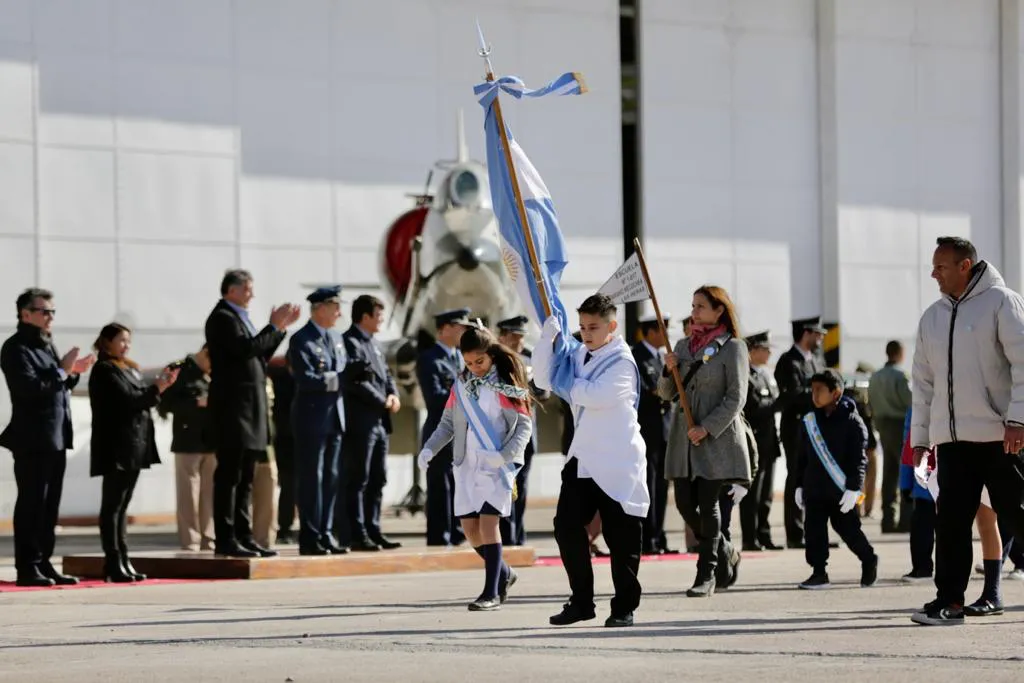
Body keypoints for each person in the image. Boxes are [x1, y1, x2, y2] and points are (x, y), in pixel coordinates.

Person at [910, 236, 1024, 626]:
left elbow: (1023, 364)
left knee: (1018, 514)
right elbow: (923, 385)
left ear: (965, 265)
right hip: (953, 442)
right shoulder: (932, 317)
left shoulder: (1002, 303)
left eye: (941, 266)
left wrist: (1018, 420)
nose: (933, 273)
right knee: (952, 523)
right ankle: (950, 602)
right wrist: (922, 440)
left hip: (1002, 437)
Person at [534, 293, 649, 628]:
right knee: (566, 527)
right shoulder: (579, 354)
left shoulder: (622, 362)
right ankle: (582, 601)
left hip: (617, 461)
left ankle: (623, 608)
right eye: (582, 326)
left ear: (612, 326)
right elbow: (542, 379)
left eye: (593, 327)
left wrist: (566, 382)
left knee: (621, 538)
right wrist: (547, 338)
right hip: (583, 456)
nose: (585, 332)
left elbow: (597, 396)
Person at [418, 325, 533, 610]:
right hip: (466, 463)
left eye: (479, 361)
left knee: (489, 523)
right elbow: (447, 423)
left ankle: (490, 592)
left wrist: (506, 456)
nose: (475, 368)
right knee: (470, 530)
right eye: (468, 362)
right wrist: (430, 448)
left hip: (495, 465)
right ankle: (504, 573)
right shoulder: (462, 384)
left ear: (491, 355)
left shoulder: (507, 385)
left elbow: (524, 427)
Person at [0, 288, 95, 587]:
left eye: (52, 311)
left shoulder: (45, 344)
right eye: (44, 311)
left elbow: (58, 383)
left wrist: (72, 372)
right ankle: (27, 567)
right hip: (32, 438)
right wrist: (62, 370)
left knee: (50, 505)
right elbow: (29, 388)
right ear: (25, 314)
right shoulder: (16, 348)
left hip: (55, 436)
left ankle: (44, 563)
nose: (49, 316)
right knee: (32, 503)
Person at [661, 286, 749, 597]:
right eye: (693, 305)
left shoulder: (733, 347)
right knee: (685, 504)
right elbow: (666, 393)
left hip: (716, 440)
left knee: (709, 504)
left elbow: (736, 397)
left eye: (700, 306)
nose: (694, 312)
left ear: (719, 310)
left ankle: (706, 573)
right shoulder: (684, 346)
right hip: (685, 440)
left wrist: (708, 428)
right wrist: (667, 368)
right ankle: (725, 549)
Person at [205, 269, 299, 558]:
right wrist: (272, 326)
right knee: (229, 477)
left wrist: (278, 331)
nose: (251, 295)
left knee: (245, 477)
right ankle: (226, 537)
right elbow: (246, 350)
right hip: (233, 409)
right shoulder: (222, 318)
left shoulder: (239, 318)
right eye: (246, 289)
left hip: (249, 409)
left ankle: (243, 536)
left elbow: (259, 357)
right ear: (230, 290)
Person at [89, 323, 179, 582]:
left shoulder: (128, 367)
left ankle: (123, 558)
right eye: (121, 340)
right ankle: (113, 559)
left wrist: (158, 388)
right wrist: (157, 389)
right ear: (107, 342)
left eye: (128, 340)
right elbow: (129, 400)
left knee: (122, 505)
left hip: (133, 444)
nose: (126, 345)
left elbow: (140, 396)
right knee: (113, 506)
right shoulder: (105, 369)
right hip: (116, 445)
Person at [794, 369, 877, 589]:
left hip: (841, 491)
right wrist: (798, 485)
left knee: (848, 531)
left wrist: (854, 488)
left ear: (836, 392)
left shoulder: (853, 422)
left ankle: (869, 559)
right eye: (812, 390)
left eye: (820, 390)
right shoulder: (810, 420)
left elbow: (859, 460)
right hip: (814, 489)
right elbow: (801, 457)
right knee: (813, 531)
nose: (814, 395)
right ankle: (819, 572)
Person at [287, 285, 349, 555]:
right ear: (319, 308)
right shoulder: (302, 339)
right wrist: (337, 379)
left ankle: (325, 533)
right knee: (312, 478)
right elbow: (306, 378)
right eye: (335, 306)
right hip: (312, 417)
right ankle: (310, 536)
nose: (339, 312)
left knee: (331, 478)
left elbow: (344, 368)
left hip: (335, 416)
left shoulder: (336, 337)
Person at [342, 295, 403, 551]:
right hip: (362, 421)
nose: (381, 321)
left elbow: (386, 374)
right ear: (365, 317)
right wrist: (383, 401)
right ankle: (357, 532)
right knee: (359, 478)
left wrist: (394, 394)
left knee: (378, 478)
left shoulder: (374, 344)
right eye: (378, 316)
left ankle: (374, 529)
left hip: (380, 422)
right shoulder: (350, 342)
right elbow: (356, 381)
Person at [418, 308, 470, 546]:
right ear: (444, 329)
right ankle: (440, 535)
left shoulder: (459, 358)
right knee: (440, 486)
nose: (462, 331)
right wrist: (463, 394)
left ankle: (455, 529)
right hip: (440, 429)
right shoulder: (429, 358)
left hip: (460, 432)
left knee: (457, 483)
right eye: (458, 326)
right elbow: (435, 397)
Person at [496, 314, 550, 546]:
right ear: (503, 337)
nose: (519, 342)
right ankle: (507, 536)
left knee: (522, 487)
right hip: (505, 433)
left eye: (521, 337)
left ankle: (518, 534)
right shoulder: (494, 361)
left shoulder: (529, 358)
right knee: (506, 485)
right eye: (515, 337)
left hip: (527, 432)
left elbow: (545, 392)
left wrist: (530, 385)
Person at [157, 344, 216, 551]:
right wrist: (195, 403)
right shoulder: (179, 369)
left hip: (212, 440)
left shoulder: (214, 373)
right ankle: (190, 539)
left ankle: (209, 537)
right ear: (205, 354)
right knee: (188, 493)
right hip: (187, 439)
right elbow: (164, 403)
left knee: (211, 493)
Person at [775, 316, 826, 548]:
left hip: (813, 427)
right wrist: (821, 394)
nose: (821, 338)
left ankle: (813, 532)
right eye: (817, 333)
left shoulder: (815, 360)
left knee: (812, 480)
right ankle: (795, 534)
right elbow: (793, 396)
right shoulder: (789, 361)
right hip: (795, 428)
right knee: (796, 477)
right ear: (806, 333)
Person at [632, 313, 674, 555]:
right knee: (648, 484)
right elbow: (646, 392)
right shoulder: (636, 355)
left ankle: (659, 535)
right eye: (662, 330)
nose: (666, 336)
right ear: (650, 332)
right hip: (647, 429)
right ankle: (648, 537)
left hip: (664, 430)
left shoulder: (661, 359)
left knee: (662, 485)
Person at [740, 330, 783, 551]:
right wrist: (779, 403)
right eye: (765, 349)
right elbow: (754, 409)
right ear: (753, 350)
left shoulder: (765, 375)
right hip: (754, 441)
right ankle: (750, 537)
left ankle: (763, 534)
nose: (768, 353)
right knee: (752, 494)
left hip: (768, 441)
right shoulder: (745, 376)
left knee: (766, 494)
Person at [869, 341, 914, 533]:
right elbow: (910, 400)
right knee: (905, 472)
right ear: (899, 354)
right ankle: (905, 519)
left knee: (889, 473)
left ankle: (887, 519)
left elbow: (870, 401)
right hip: (899, 424)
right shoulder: (900, 376)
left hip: (882, 425)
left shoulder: (875, 376)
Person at [899, 408, 936, 583]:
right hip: (924, 483)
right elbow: (908, 444)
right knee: (921, 526)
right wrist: (905, 483)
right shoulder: (916, 409)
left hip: (951, 480)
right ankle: (922, 568)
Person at [267, 356, 296, 544]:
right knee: (289, 486)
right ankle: (284, 528)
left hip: (304, 438)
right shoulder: (279, 378)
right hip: (285, 441)